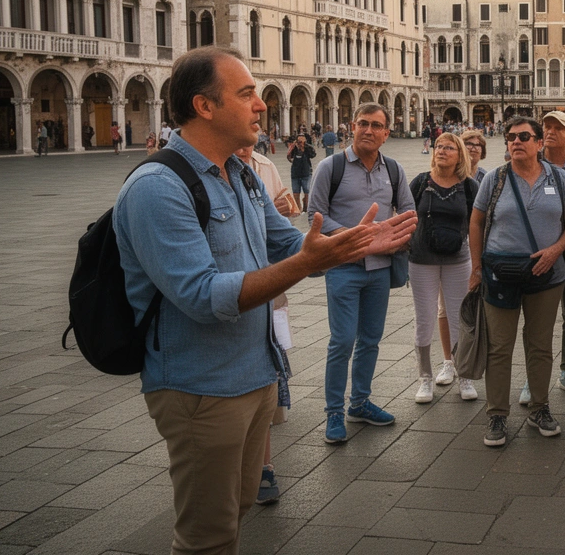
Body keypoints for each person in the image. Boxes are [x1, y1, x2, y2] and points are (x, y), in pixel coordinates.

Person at [114, 48, 415, 553]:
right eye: (247, 93)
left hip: (257, 374)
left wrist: (350, 245)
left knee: (241, 505)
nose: (261, 106)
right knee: (206, 534)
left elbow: (286, 242)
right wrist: (309, 263)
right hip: (202, 387)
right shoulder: (157, 187)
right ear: (204, 106)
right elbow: (203, 296)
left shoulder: (243, 173)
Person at [468, 116, 565, 448]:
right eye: (510, 137)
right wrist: (476, 267)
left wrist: (556, 250)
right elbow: (475, 223)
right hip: (500, 273)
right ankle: (497, 415)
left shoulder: (558, 178)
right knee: (500, 347)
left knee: (540, 345)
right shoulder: (496, 178)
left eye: (523, 136)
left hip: (546, 274)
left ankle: (539, 408)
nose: (516, 142)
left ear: (538, 143)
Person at [307, 103, 418, 444]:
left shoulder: (395, 170)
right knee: (342, 341)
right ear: (351, 127)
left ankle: (360, 403)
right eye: (363, 124)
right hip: (344, 267)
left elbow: (410, 210)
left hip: (380, 270)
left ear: (387, 133)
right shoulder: (332, 166)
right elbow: (315, 215)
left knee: (370, 339)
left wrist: (393, 233)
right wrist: (357, 237)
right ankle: (333, 414)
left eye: (377, 126)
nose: (369, 130)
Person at [234, 141, 299, 505]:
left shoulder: (257, 170)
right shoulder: (166, 179)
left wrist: (330, 249)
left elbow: (283, 229)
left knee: (267, 382)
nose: (258, 112)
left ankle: (263, 467)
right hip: (231, 306)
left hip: (268, 295)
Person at [518, 111, 565, 404]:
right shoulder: (529, 163)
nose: (549, 131)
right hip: (537, 252)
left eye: (557, 128)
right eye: (546, 127)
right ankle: (532, 377)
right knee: (537, 320)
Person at [409, 132, 480, 403]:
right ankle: (425, 378)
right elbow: (405, 213)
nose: (441, 151)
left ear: (459, 154)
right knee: (424, 320)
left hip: (458, 260)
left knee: (458, 318)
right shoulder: (420, 182)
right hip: (421, 260)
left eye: (449, 147)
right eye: (438, 146)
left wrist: (477, 264)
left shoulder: (469, 186)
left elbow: (476, 225)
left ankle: (464, 375)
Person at [286, 134, 316, 213]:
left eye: (303, 142)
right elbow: (289, 156)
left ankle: (306, 208)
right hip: (295, 173)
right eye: (299, 142)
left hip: (306, 173)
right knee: (296, 193)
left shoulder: (308, 148)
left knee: (307, 191)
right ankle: (298, 210)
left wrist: (305, 148)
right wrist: (293, 147)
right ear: (296, 141)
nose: (301, 143)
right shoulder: (293, 148)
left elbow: (313, 155)